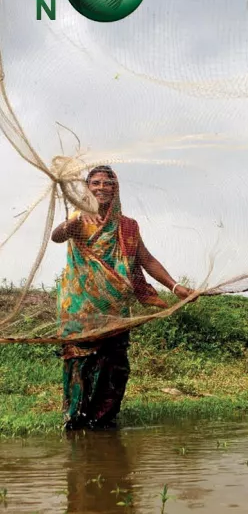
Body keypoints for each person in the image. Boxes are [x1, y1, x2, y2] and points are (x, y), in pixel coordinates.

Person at [51, 165, 192, 431]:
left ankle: (103, 420)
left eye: (108, 183)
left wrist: (175, 287)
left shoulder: (127, 226)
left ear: (115, 189)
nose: (101, 187)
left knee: (114, 364)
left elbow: (146, 259)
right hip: (80, 309)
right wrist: (73, 220)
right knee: (80, 364)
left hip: (115, 308)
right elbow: (57, 236)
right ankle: (76, 420)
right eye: (95, 183)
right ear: (87, 187)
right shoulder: (79, 219)